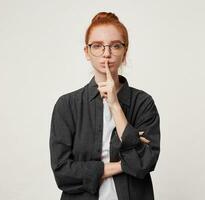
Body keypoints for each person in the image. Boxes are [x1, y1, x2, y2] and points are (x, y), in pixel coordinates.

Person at [49, 11, 161, 200]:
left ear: (125, 52)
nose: (106, 53)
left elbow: (145, 163)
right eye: (97, 46)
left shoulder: (143, 103)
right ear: (87, 52)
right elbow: (63, 173)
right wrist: (124, 164)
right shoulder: (67, 105)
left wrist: (115, 106)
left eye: (115, 46)